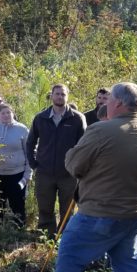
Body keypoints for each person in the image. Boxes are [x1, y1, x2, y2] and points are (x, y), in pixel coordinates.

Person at [51, 83, 137, 272]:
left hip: (99, 211)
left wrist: (73, 152)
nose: (106, 103)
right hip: (135, 213)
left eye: (109, 99)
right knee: (126, 260)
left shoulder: (101, 130)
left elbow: (73, 165)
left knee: (70, 254)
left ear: (119, 103)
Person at [26, 84, 87, 236]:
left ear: (67, 97)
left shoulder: (77, 118)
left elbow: (84, 146)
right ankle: (47, 236)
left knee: (67, 209)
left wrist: (78, 167)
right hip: (45, 172)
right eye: (57, 94)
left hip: (68, 173)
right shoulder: (41, 118)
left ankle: (64, 237)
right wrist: (34, 163)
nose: (60, 97)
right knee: (45, 207)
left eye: (63, 94)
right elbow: (30, 142)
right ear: (52, 96)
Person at [0, 103, 30, 226]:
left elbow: (29, 154)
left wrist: (27, 175)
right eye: (3, 113)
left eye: (8, 112)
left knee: (18, 205)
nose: (6, 115)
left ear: (13, 113)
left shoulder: (22, 129)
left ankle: (19, 230)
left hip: (17, 174)